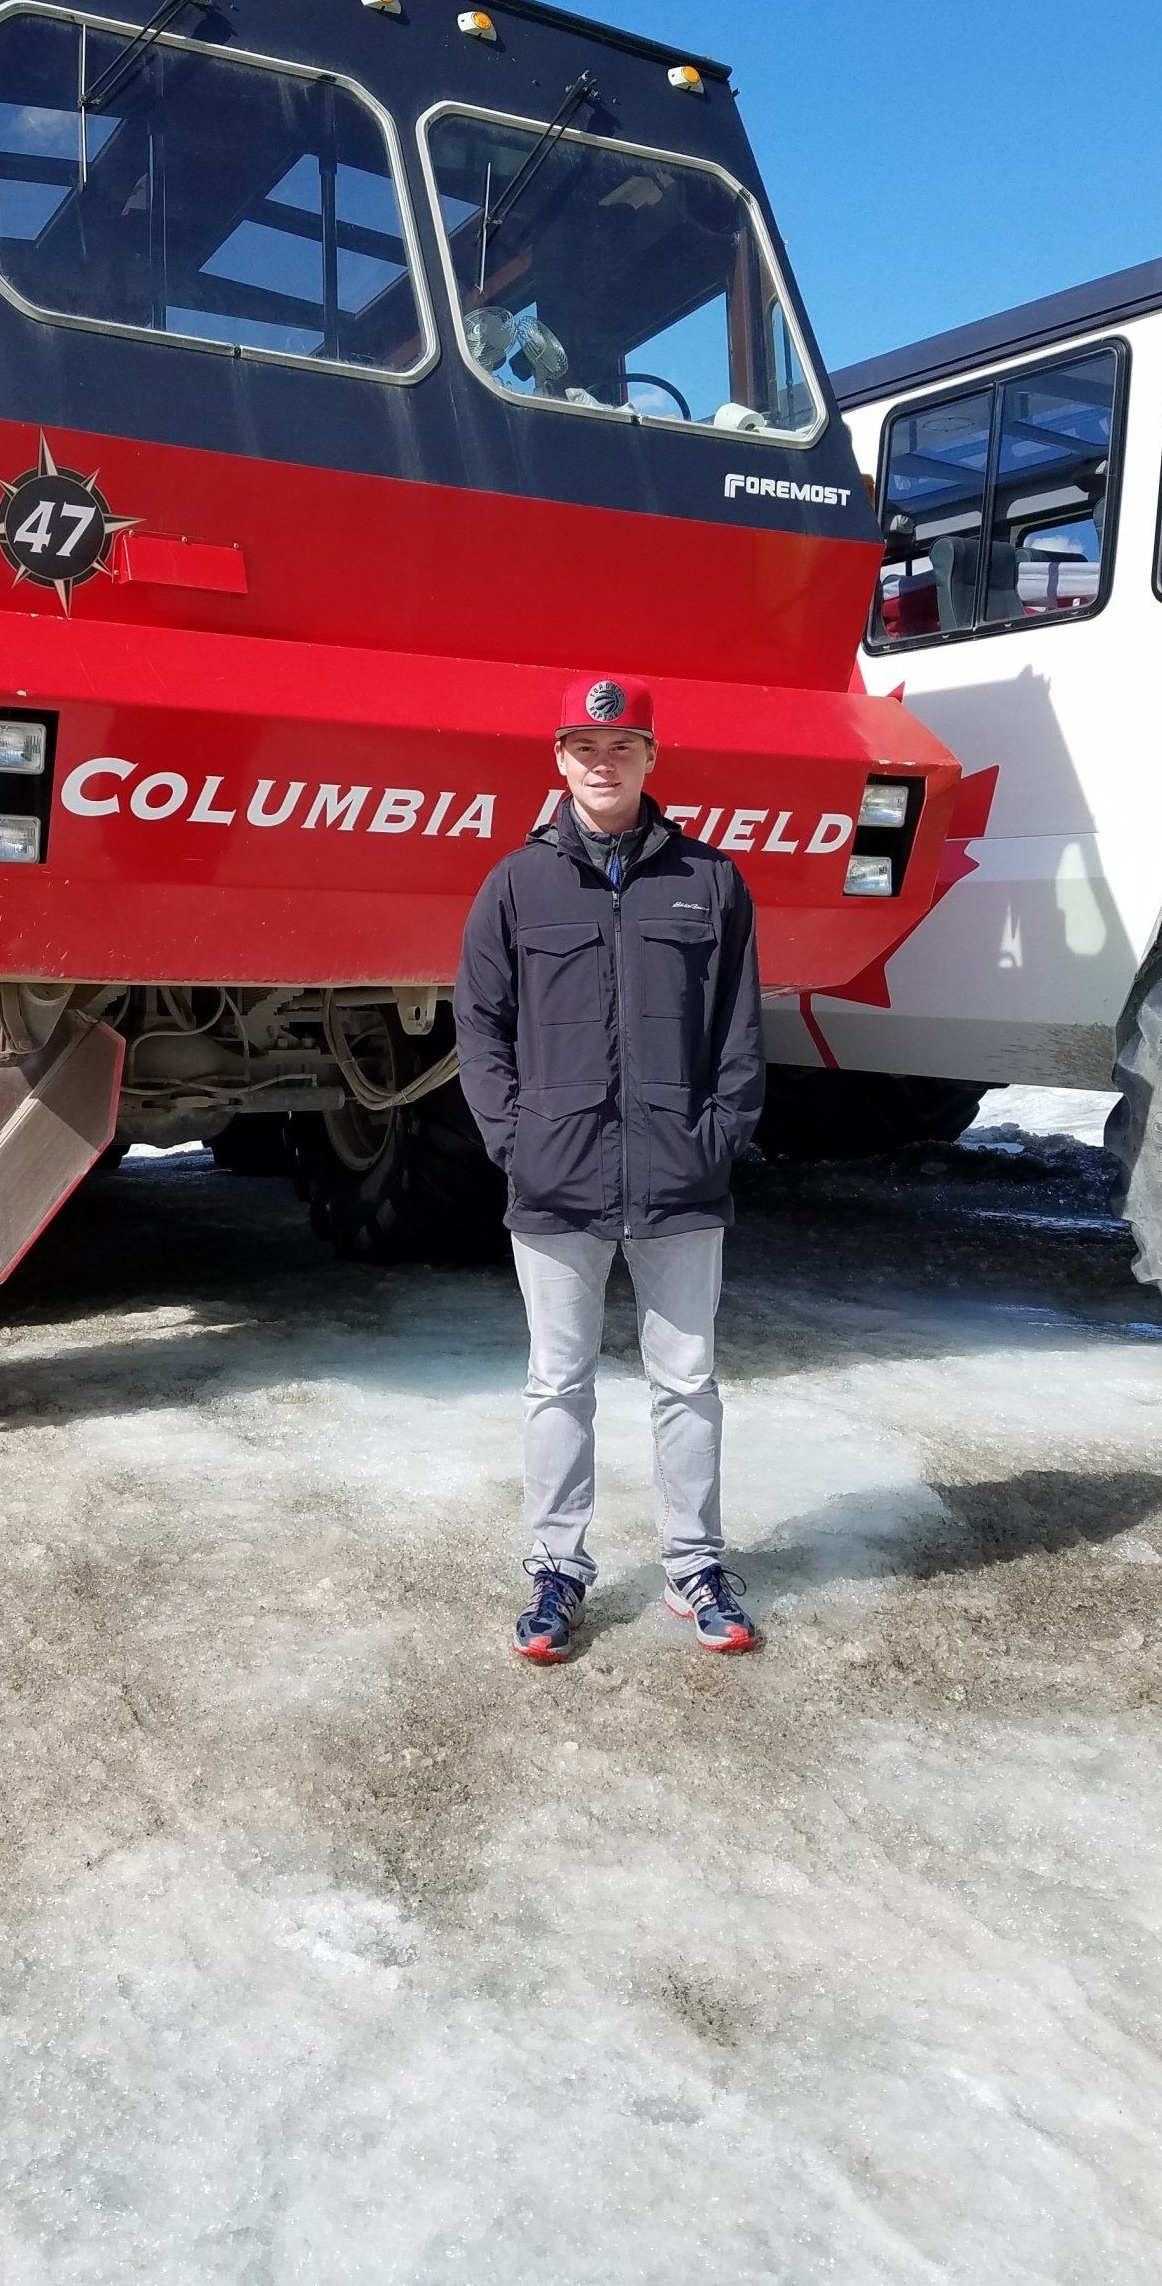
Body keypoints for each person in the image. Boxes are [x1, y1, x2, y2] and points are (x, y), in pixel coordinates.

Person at [454, 674, 766, 1662]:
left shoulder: (710, 881)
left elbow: (741, 1036)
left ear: (650, 759)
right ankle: (556, 1570)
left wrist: (714, 1140)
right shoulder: (515, 886)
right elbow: (480, 1028)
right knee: (558, 1383)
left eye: (623, 746)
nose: (604, 762)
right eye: (586, 748)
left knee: (688, 1381)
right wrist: (517, 1141)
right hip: (556, 1186)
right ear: (558, 759)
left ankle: (696, 1567)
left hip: (681, 1185)